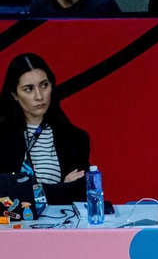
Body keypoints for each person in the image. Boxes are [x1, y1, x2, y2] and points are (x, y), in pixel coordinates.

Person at [1, 53, 91, 206]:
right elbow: (6, 196)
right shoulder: (2, 138)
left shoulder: (75, 139)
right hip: (10, 228)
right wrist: (61, 188)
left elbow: (81, 194)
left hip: (61, 226)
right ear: (14, 94)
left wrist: (28, 193)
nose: (39, 96)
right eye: (28, 89)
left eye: (44, 85)